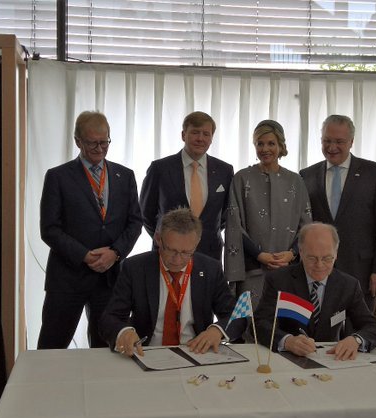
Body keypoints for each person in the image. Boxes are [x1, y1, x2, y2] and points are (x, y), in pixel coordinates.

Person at [38, 111, 142, 349]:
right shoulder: (58, 176)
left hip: (109, 280)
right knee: (51, 348)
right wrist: (85, 255)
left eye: (104, 142)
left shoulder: (125, 176)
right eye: (92, 143)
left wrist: (115, 253)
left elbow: (135, 222)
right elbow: (50, 229)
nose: (99, 148)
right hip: (67, 279)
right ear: (78, 141)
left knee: (106, 350)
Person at [99, 207, 236, 357]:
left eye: (186, 252)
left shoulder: (210, 269)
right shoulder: (135, 268)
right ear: (158, 239)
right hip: (147, 352)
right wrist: (123, 332)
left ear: (196, 244)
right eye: (171, 250)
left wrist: (217, 330)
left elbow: (235, 316)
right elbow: (110, 317)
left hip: (196, 351)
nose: (177, 260)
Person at [300, 114, 376, 315]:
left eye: (339, 141)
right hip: (318, 268)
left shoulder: (375, 173)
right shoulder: (306, 175)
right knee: (320, 326)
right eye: (327, 141)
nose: (332, 147)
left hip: (362, 270)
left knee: (360, 326)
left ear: (351, 142)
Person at [254, 222, 376, 360]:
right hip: (287, 360)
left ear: (336, 254)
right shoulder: (279, 280)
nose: (319, 265)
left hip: (331, 360)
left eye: (327, 258)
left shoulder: (348, 285)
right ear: (301, 252)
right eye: (312, 258)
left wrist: (356, 340)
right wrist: (287, 341)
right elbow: (259, 324)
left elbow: (373, 327)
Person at [224, 119, 312, 312]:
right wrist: (259, 255)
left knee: (285, 323)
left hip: (288, 270)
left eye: (271, 143)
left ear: (280, 146)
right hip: (252, 272)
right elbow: (233, 225)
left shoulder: (295, 181)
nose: (265, 149)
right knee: (251, 323)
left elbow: (306, 226)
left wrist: (292, 253)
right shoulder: (241, 178)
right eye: (260, 144)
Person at [139, 111, 234, 261]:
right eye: (195, 132)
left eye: (206, 134)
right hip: (169, 253)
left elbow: (225, 214)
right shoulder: (160, 168)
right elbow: (146, 213)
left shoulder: (225, 171)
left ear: (211, 138)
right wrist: (165, 241)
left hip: (209, 254)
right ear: (183, 135)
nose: (200, 138)